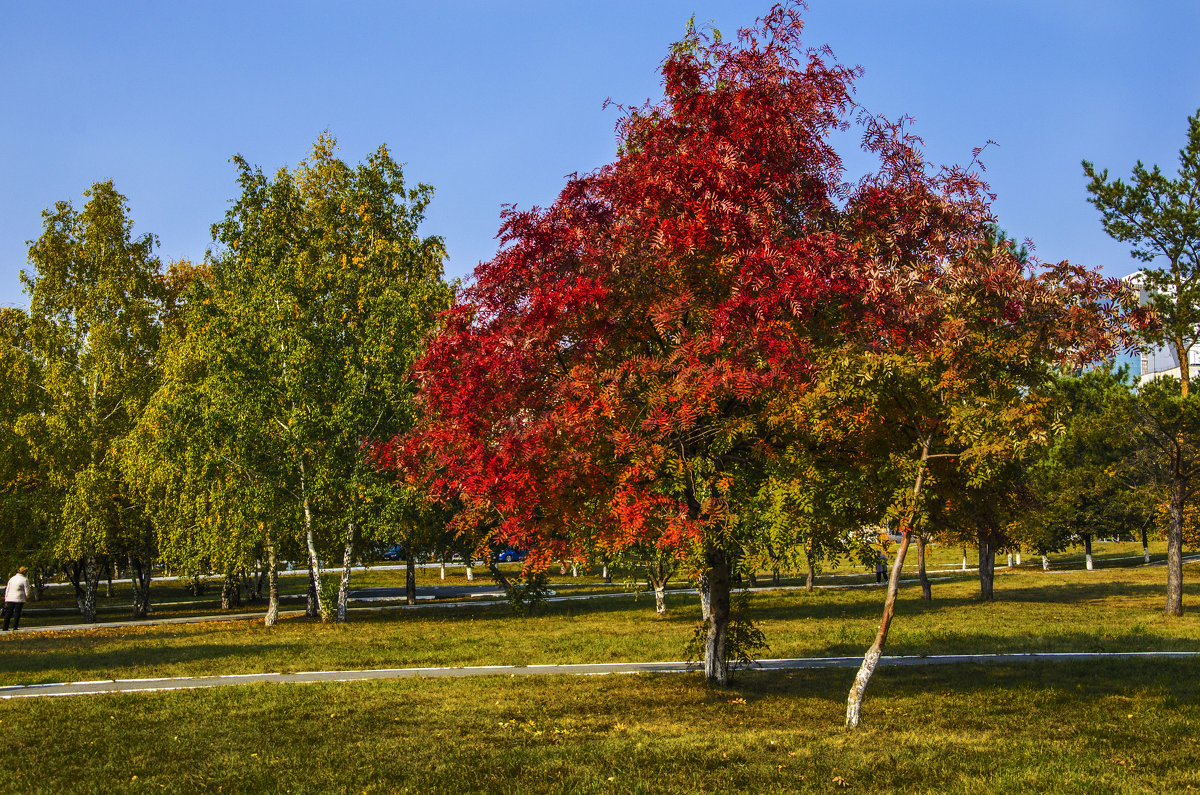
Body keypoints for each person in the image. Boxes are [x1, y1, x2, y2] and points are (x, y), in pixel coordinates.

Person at [2, 566, 32, 631]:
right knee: (17, 613)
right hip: (19, 598)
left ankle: (5, 627)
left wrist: (6, 597)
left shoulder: (12, 579)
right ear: (25, 572)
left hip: (10, 598)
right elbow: (27, 590)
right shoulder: (25, 580)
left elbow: (7, 589)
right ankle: (15, 626)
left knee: (8, 613)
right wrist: (28, 597)